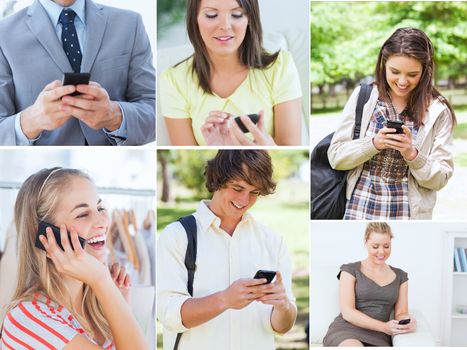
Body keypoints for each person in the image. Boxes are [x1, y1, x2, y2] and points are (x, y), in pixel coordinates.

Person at [157, 150, 297, 349]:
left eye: (254, 192)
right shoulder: (176, 236)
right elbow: (168, 315)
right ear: (217, 180)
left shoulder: (273, 241)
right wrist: (225, 299)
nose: (245, 200)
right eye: (237, 188)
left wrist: (283, 306)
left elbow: (282, 327)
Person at [0, 168, 148, 349]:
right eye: (82, 214)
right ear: (44, 235)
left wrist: (119, 302)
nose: (102, 222)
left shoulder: (98, 306)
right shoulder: (28, 319)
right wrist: (102, 281)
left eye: (100, 208)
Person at [328, 27, 456, 219]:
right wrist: (373, 144)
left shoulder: (438, 111)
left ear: (425, 71)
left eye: (412, 74)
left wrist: (412, 154)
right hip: (357, 212)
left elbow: (440, 178)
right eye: (395, 72)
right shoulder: (364, 97)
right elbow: (336, 157)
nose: (402, 81)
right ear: (383, 64)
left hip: (407, 218)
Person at [0, 0, 155, 145]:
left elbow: (152, 107)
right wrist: (31, 121)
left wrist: (115, 116)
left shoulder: (129, 24)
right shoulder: (3, 35)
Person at [159, 0, 302, 146]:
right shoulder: (174, 80)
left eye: (237, 14)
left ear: (250, 19)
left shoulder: (280, 66)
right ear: (194, 19)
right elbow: (185, 155)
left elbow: (292, 147)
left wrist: (268, 149)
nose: (225, 26)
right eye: (211, 15)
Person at [323, 222, 416, 347]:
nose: (381, 252)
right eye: (375, 246)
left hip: (379, 337)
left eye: (386, 246)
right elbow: (348, 312)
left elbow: (401, 313)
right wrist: (384, 327)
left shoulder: (401, 276)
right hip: (347, 332)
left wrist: (408, 322)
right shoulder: (350, 270)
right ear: (366, 243)